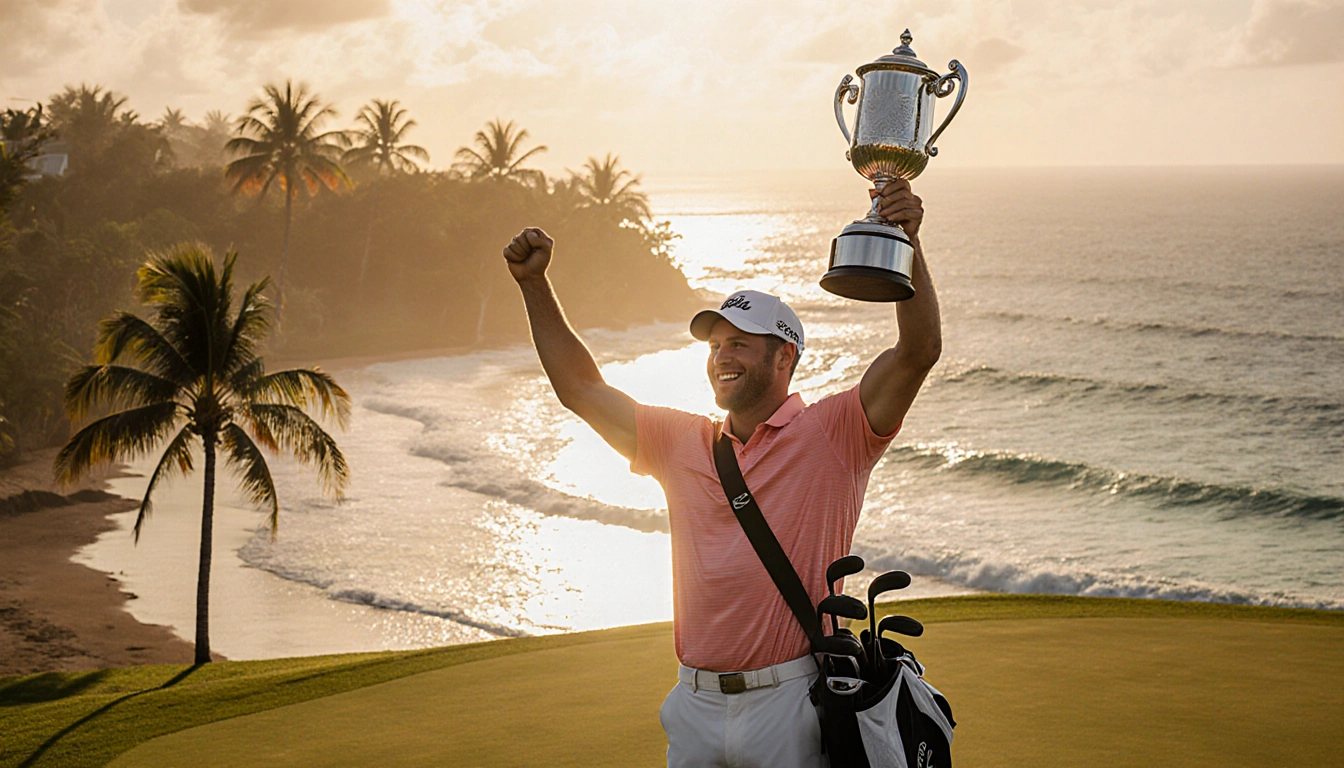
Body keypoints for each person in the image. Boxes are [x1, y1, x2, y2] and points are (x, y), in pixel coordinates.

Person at [501, 179, 939, 767]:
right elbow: (580, 389)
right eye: (714, 346)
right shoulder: (680, 440)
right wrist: (535, 285)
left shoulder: (836, 433)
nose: (722, 357)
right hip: (694, 703)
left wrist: (905, 239)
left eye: (740, 344)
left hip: (789, 703)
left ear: (784, 355)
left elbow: (917, 351)